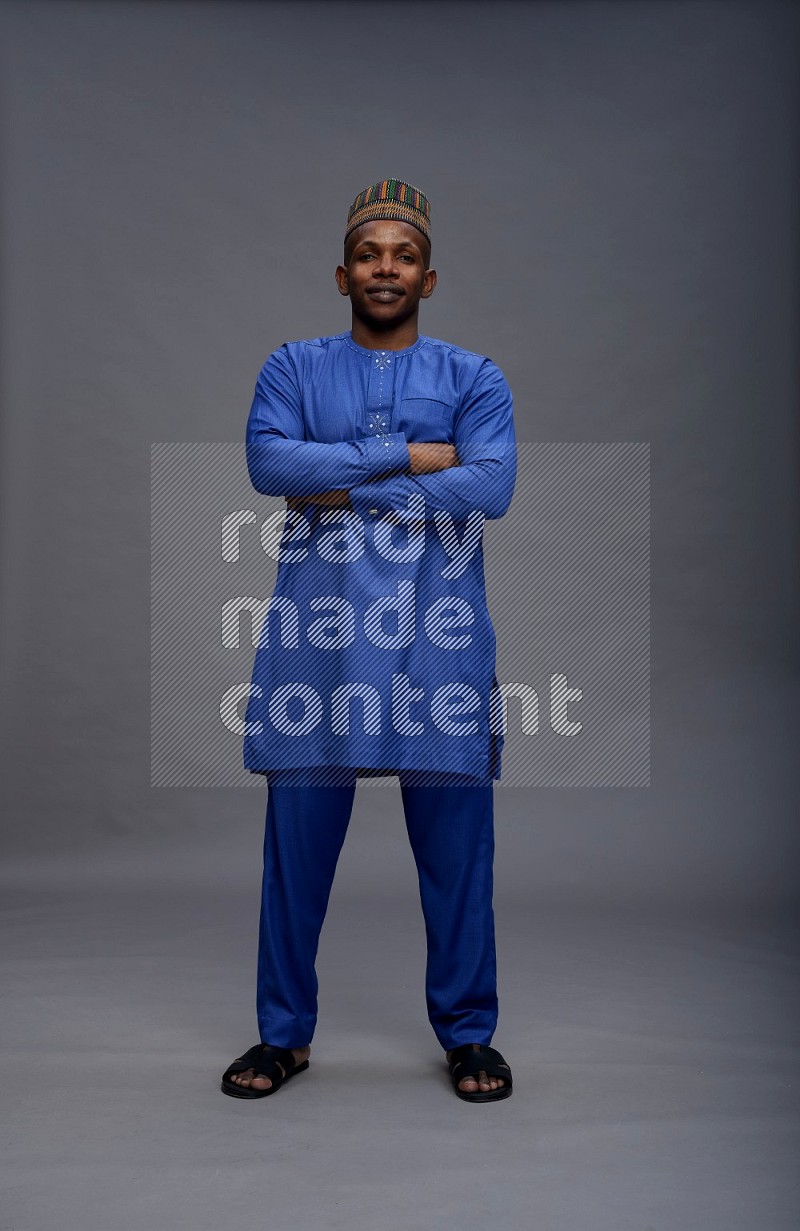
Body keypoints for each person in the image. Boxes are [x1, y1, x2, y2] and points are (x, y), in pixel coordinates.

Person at [221, 179, 517, 1103]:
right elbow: (271, 464)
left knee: (458, 849)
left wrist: (342, 482)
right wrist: (416, 455)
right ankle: (283, 1036)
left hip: (439, 635)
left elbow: (493, 488)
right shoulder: (292, 366)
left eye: (403, 254)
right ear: (342, 271)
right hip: (322, 639)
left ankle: (470, 1034)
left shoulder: (475, 377)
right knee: (296, 848)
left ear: (428, 277)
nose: (385, 267)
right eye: (369, 253)